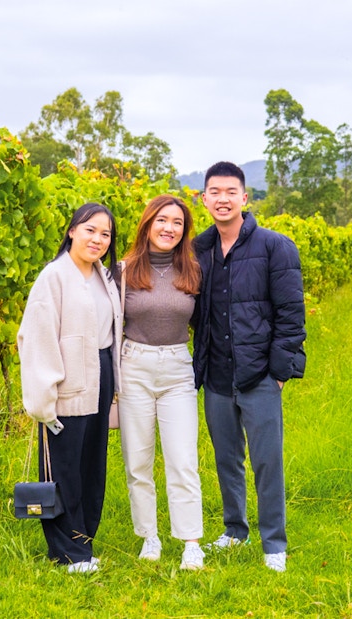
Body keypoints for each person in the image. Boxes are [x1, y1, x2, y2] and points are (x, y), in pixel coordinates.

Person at [192, 162, 306, 573]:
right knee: (227, 458)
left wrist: (278, 372)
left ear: (244, 197)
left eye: (230, 191)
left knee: (266, 460)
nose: (222, 199)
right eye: (213, 192)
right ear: (203, 199)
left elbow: (291, 316)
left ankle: (274, 541)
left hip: (259, 376)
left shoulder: (276, 246)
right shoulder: (198, 251)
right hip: (217, 377)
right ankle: (235, 530)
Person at [17, 203, 122, 574]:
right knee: (64, 469)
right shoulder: (54, 277)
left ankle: (84, 543)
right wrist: (44, 401)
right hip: (66, 383)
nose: (97, 239)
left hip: (100, 376)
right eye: (90, 230)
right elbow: (37, 338)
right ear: (72, 231)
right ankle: (67, 553)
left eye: (105, 234)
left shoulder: (104, 276)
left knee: (91, 466)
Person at [117, 194, 205, 570]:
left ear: (184, 231)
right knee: (138, 460)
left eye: (178, 223)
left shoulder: (194, 270)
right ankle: (149, 537)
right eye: (162, 220)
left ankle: (190, 543)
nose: (169, 228)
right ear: (148, 224)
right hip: (134, 366)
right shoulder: (122, 270)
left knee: (182, 459)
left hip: (176, 370)